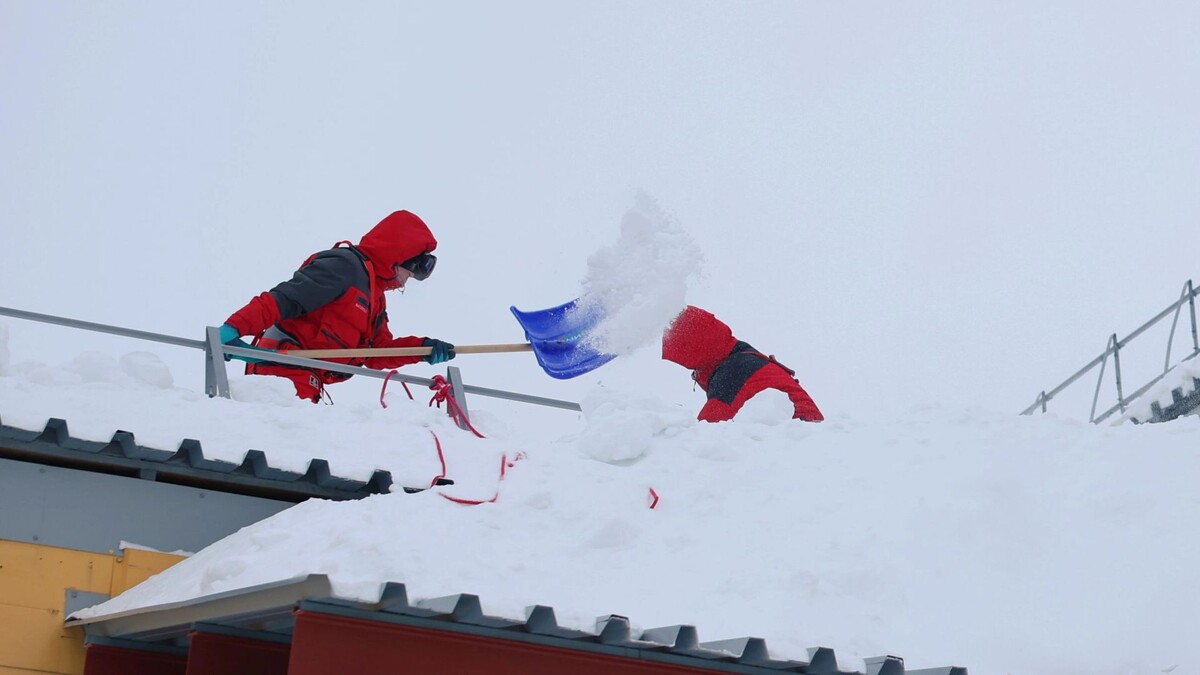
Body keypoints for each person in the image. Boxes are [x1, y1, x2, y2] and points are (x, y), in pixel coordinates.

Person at [216, 210, 456, 403]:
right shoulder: (345, 267)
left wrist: (423, 350)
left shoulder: (375, 298)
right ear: (398, 257)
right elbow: (286, 299)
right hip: (280, 373)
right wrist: (233, 328)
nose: (405, 282)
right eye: (408, 274)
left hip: (307, 381)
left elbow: (376, 352)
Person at [662, 305, 823, 423]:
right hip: (801, 435)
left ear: (695, 350)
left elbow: (707, 428)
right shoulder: (740, 356)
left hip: (799, 433)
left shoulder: (734, 371)